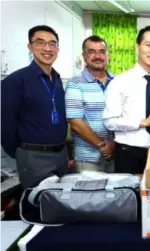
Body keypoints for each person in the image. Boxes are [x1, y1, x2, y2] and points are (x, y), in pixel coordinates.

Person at [1, 25, 68, 188]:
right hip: (33, 156)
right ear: (30, 47)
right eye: (40, 42)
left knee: (60, 206)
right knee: (37, 206)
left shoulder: (57, 79)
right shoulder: (16, 81)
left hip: (60, 154)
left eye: (53, 44)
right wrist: (22, 152)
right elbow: (6, 126)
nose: (47, 48)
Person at [103, 26, 150, 174]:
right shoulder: (120, 82)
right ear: (138, 47)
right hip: (128, 153)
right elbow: (109, 121)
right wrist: (142, 122)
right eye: (148, 45)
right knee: (129, 195)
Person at [65, 35, 115, 173]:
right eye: (92, 52)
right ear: (84, 55)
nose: (97, 56)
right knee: (89, 194)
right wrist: (102, 146)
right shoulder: (75, 83)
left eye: (101, 51)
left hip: (115, 154)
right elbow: (75, 122)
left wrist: (113, 144)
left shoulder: (117, 82)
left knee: (116, 194)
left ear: (107, 55)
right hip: (87, 158)